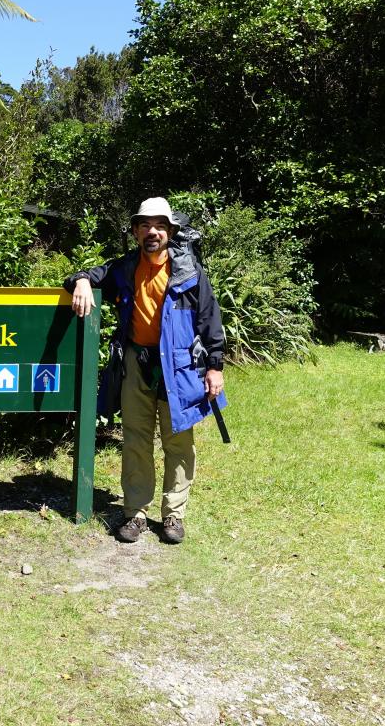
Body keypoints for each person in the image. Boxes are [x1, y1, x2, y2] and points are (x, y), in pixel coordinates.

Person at [65, 197, 226, 544]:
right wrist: (81, 282)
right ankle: (135, 513)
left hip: (180, 369)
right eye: (145, 226)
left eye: (160, 226)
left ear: (170, 231)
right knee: (136, 440)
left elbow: (210, 319)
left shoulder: (189, 272)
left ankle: (173, 516)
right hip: (136, 366)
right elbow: (88, 275)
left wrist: (215, 367)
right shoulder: (125, 268)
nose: (152, 232)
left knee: (178, 441)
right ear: (136, 232)